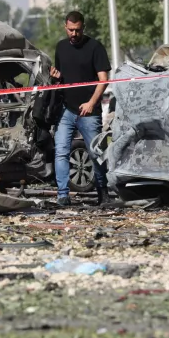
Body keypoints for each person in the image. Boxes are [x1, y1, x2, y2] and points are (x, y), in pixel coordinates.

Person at [50, 11, 111, 206]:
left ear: (83, 28)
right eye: (70, 30)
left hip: (89, 112)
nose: (74, 34)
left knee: (95, 152)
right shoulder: (60, 47)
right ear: (65, 27)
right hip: (66, 110)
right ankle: (62, 195)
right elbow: (61, 78)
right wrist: (55, 77)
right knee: (61, 151)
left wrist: (92, 103)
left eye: (77, 30)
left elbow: (104, 80)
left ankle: (103, 192)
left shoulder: (95, 47)